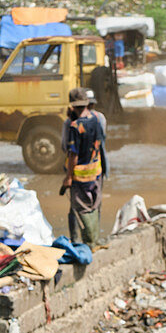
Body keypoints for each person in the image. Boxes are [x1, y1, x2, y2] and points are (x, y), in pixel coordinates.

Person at [61, 87, 107, 247]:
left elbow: (69, 151)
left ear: (72, 106)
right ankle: (94, 239)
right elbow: (102, 142)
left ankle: (81, 243)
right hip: (97, 171)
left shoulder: (72, 125)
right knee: (94, 206)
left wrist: (68, 177)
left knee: (77, 209)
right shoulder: (97, 119)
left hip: (79, 175)